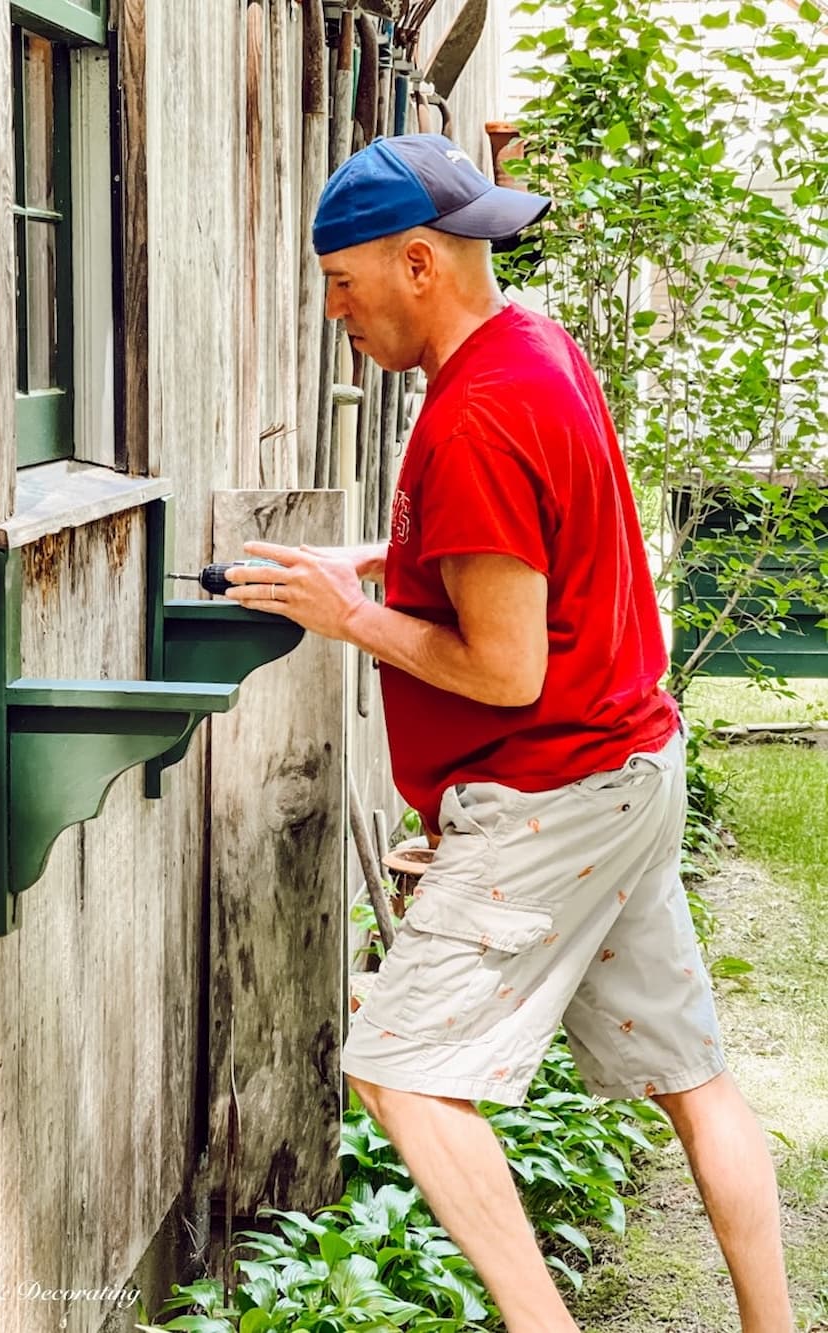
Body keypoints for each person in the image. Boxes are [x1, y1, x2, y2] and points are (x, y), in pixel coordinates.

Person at [225, 134, 793, 1333]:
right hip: (632, 762)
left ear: (420, 261)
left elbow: (502, 664)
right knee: (693, 1081)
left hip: (552, 789)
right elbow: (528, 545)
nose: (335, 311)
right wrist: (370, 558)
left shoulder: (474, 414)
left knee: (398, 1065)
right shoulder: (537, 350)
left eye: (341, 280)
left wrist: (352, 616)